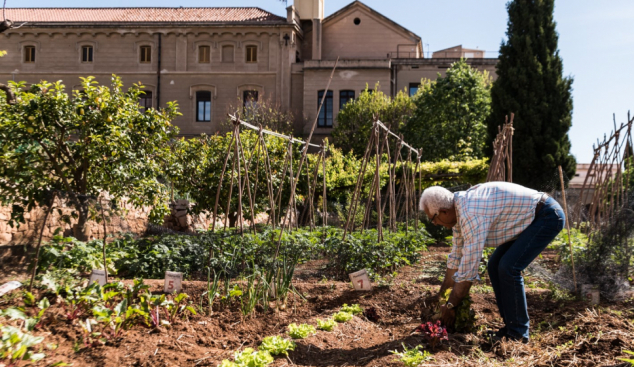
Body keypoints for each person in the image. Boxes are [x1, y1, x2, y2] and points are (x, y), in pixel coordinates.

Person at [419, 182, 565, 343]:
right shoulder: (459, 213)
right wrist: (442, 296)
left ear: (444, 212)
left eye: (433, 219)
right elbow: (455, 259)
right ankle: (510, 327)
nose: (435, 224)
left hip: (546, 216)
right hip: (529, 219)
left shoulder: (471, 214)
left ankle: (518, 334)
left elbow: (468, 270)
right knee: (494, 265)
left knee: (508, 267)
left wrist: (451, 305)